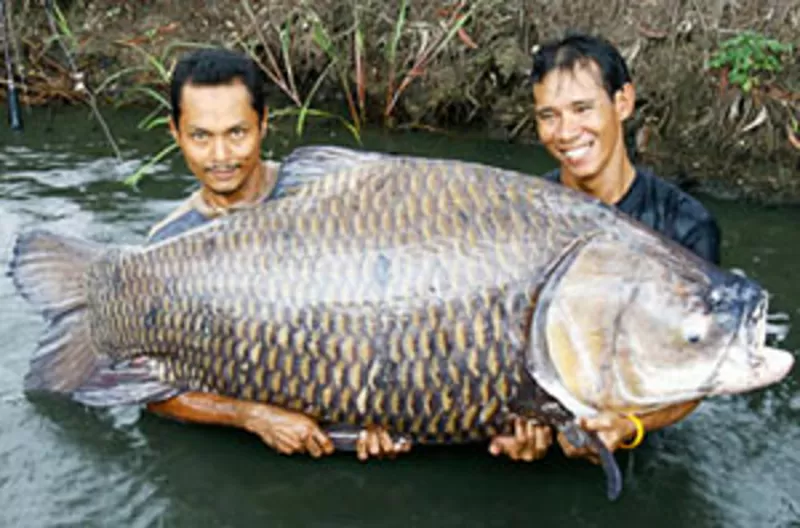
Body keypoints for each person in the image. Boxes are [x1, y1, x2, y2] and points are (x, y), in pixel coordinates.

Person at [143, 47, 408, 461]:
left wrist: (388, 409)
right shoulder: (166, 246)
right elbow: (152, 392)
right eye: (200, 136)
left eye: (236, 133)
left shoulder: (330, 197)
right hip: (238, 463)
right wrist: (253, 417)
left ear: (264, 124)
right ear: (174, 132)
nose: (221, 157)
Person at [488, 32, 722, 464]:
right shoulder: (519, 217)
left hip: (641, 444)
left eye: (582, 109)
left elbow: (702, 364)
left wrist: (631, 427)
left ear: (623, 102)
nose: (566, 132)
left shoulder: (685, 225)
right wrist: (513, 423)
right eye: (548, 116)